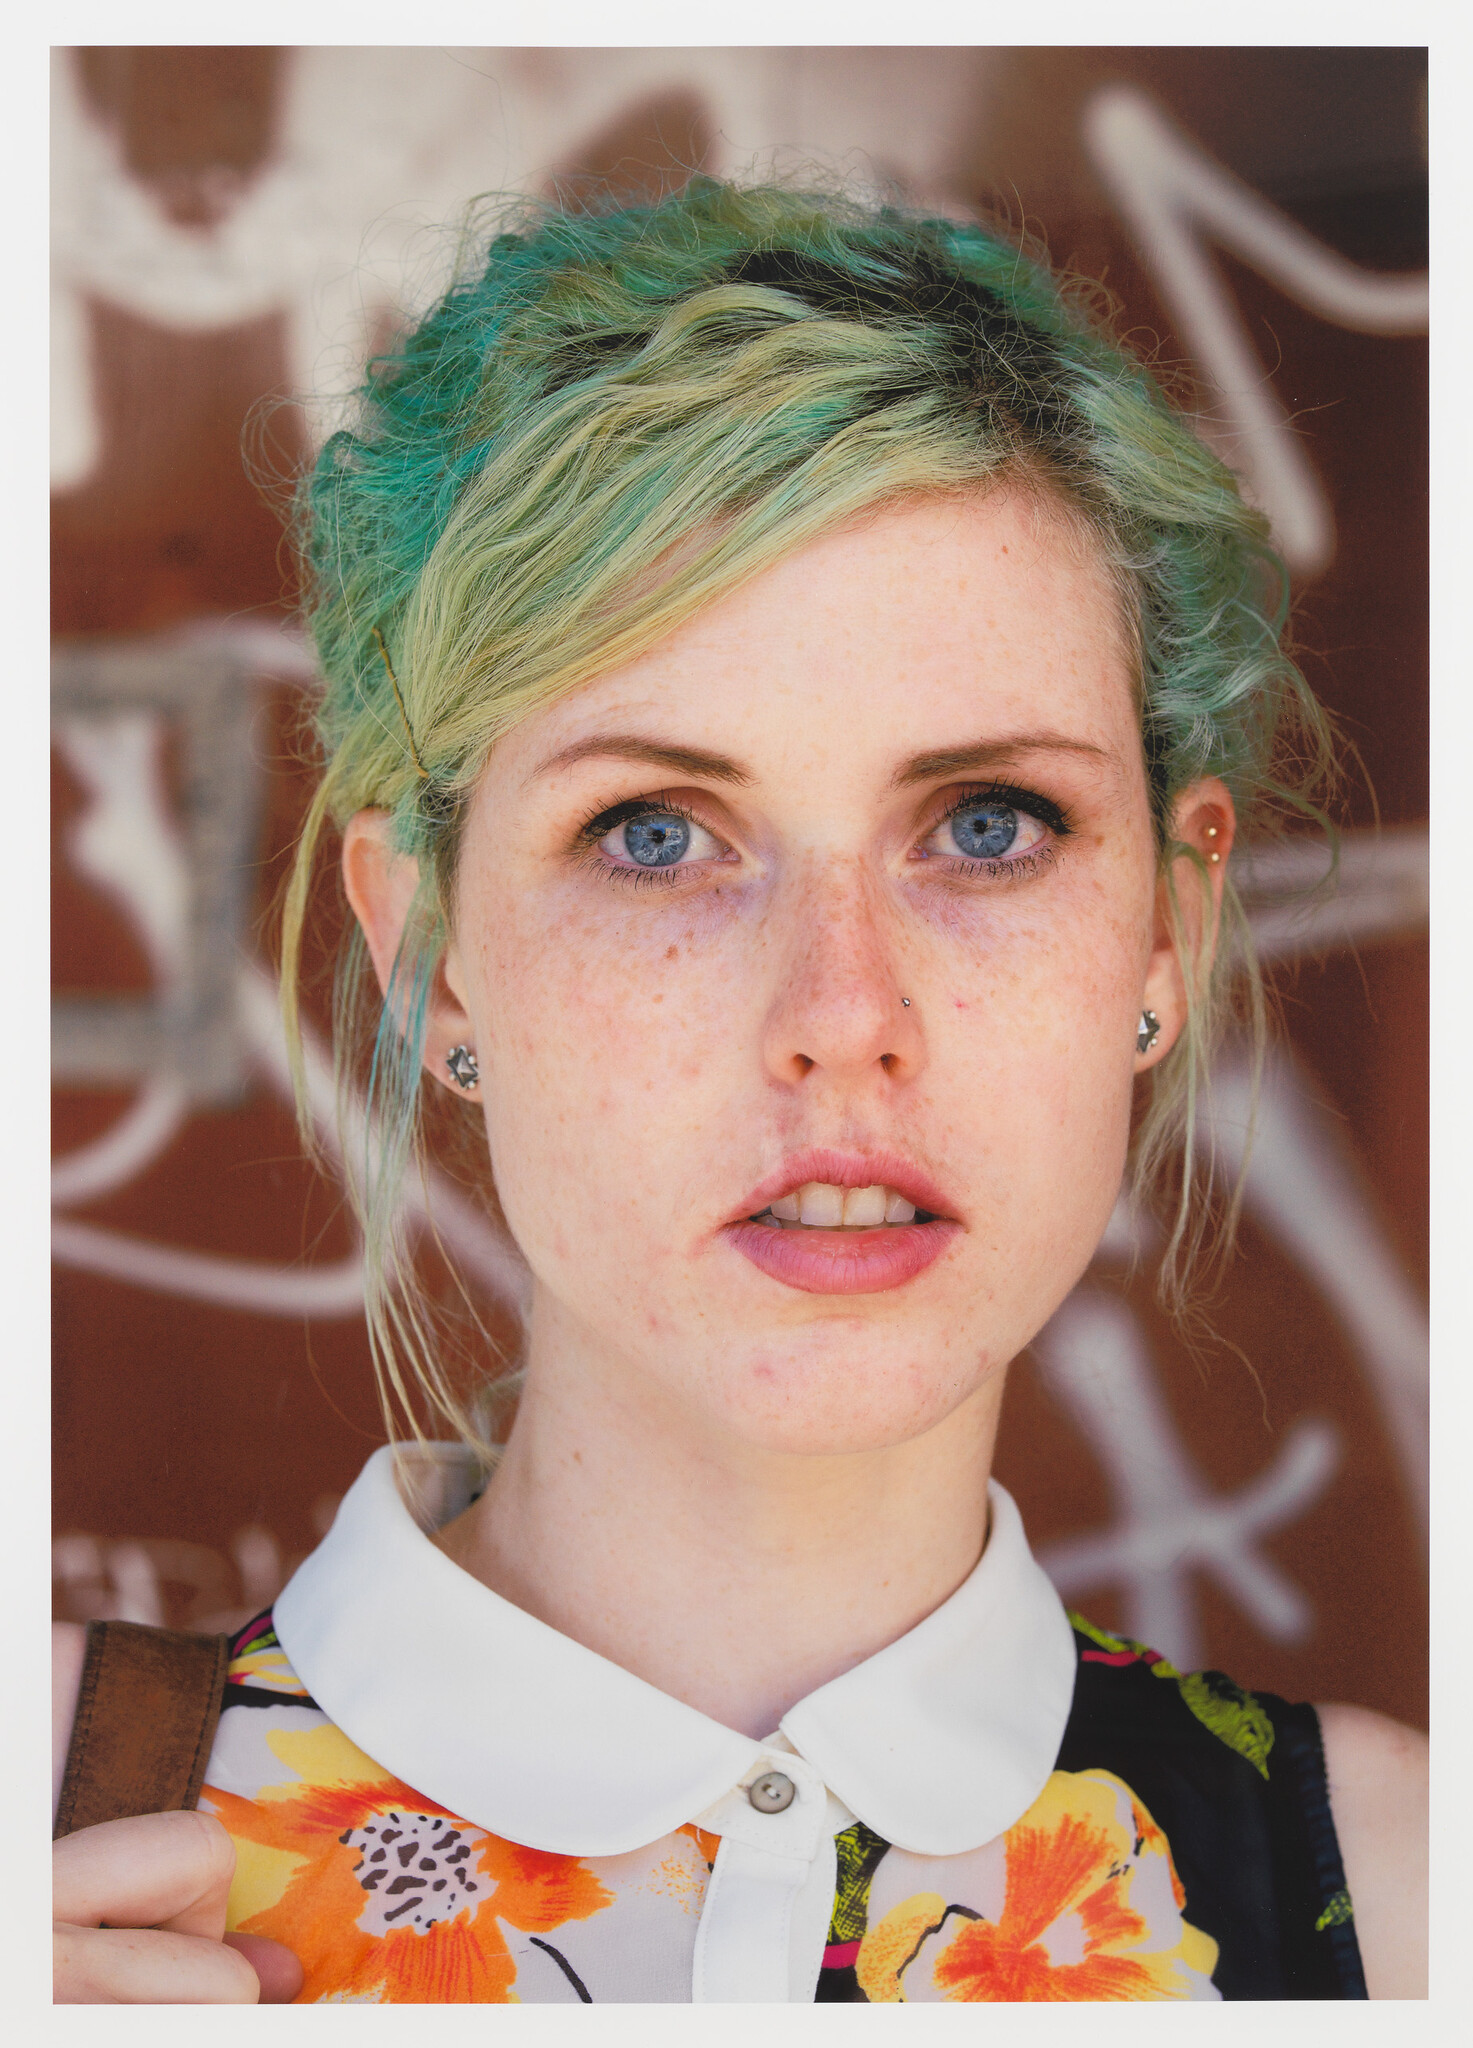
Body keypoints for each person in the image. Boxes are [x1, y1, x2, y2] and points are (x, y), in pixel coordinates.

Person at [53, 178, 1426, 2004]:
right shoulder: (43, 1841)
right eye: (653, 832)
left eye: (989, 825)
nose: (842, 1014)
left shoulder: (1409, 1905)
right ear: (430, 952)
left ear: (1164, 937)